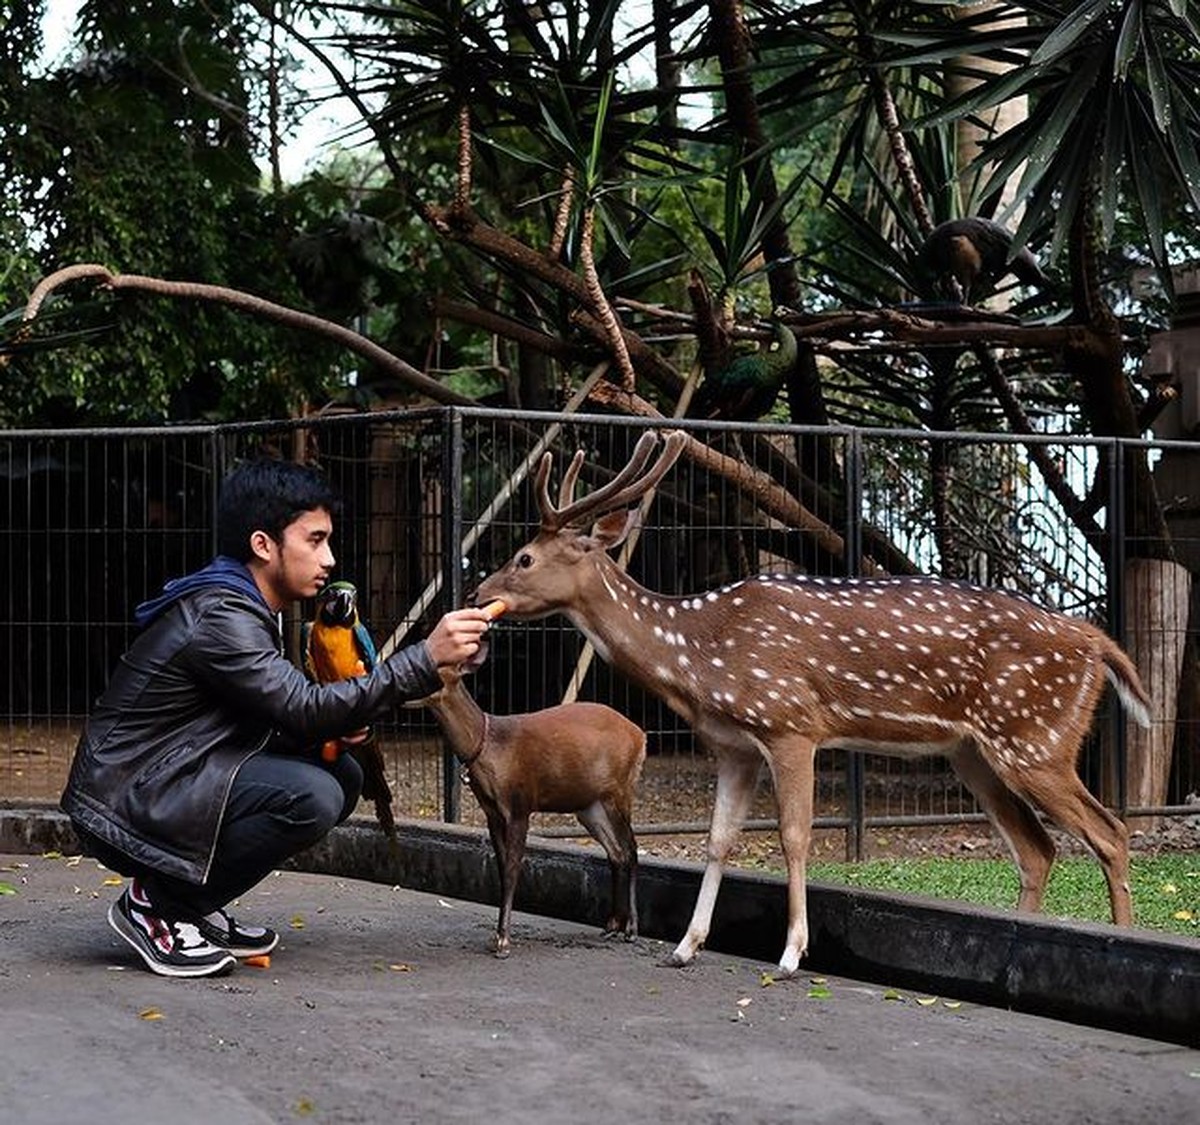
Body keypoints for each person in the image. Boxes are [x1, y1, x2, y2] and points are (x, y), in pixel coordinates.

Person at [61, 457, 491, 978]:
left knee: (341, 773)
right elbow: (302, 708)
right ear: (264, 545)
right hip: (126, 799)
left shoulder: (242, 605)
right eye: (315, 541)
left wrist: (338, 724)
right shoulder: (223, 616)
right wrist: (424, 658)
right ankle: (159, 905)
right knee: (312, 796)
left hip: (169, 776)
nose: (330, 558)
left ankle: (192, 904)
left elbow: (267, 715)